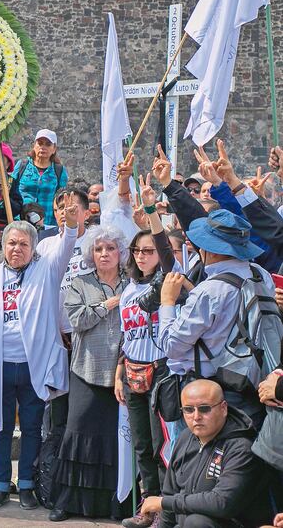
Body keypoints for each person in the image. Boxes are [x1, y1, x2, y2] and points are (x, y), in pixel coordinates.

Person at [0, 193, 81, 510]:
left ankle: (27, 484)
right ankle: (1, 484)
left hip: (33, 364)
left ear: (33, 249)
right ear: (3, 246)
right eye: (12, 243)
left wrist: (71, 226)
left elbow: (67, 248)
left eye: (23, 245)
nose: (17, 249)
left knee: (32, 428)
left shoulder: (47, 271)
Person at [159, 209, 270, 428]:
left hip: (206, 393)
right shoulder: (260, 274)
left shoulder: (209, 291)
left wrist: (167, 302)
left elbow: (171, 346)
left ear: (211, 249)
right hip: (253, 385)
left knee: (200, 459)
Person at [49, 225, 129, 521]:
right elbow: (77, 320)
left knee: (114, 439)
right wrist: (108, 304)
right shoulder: (80, 283)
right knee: (77, 433)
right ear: (90, 254)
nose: (104, 254)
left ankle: (115, 505)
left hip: (122, 373)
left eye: (110, 248)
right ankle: (67, 502)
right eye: (98, 249)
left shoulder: (132, 284)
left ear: (120, 251)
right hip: (85, 369)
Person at [116, 173, 179, 528]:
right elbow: (124, 335)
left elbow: (168, 253)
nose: (142, 256)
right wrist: (119, 371)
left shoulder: (168, 279)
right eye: (137, 251)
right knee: (141, 445)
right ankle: (147, 508)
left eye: (148, 250)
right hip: (133, 370)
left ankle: (166, 510)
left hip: (162, 371)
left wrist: (152, 211)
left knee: (161, 446)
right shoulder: (127, 288)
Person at [137, 380, 270, 528]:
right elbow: (170, 495)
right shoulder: (185, 437)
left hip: (229, 523)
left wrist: (163, 502)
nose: (196, 416)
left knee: (197, 522)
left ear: (223, 408)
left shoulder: (241, 447)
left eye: (204, 409)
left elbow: (222, 503)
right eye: (188, 409)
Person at [12, 129, 69, 227]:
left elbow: (62, 199)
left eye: (48, 144)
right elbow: (10, 190)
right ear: (34, 146)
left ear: (54, 148)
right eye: (40, 143)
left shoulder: (59, 171)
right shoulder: (22, 166)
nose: (43, 147)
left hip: (47, 223)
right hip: (20, 221)